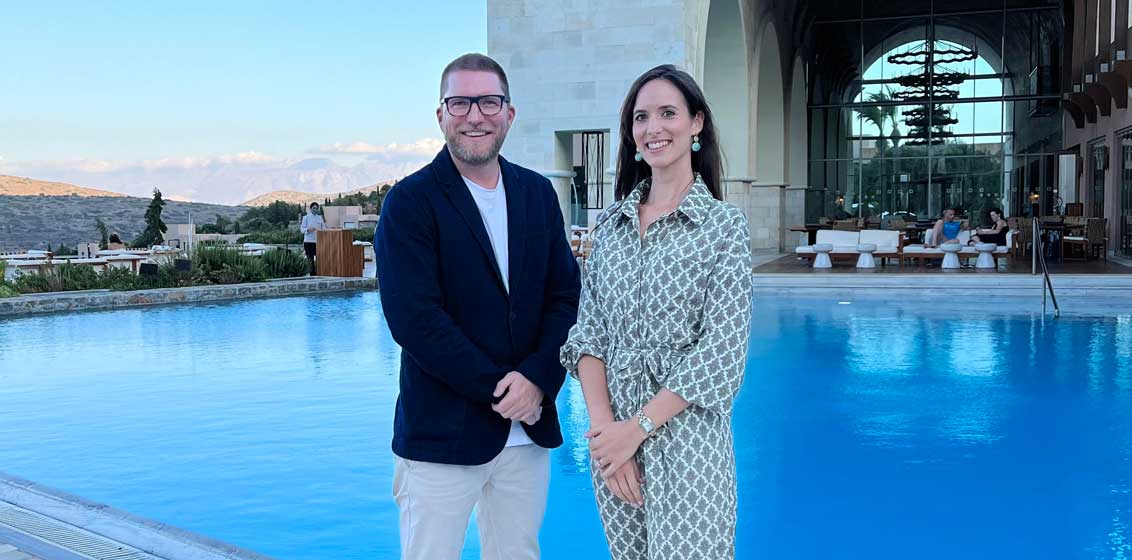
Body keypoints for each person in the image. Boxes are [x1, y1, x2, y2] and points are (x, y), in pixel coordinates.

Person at [374, 53, 580, 560]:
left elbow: (565, 297)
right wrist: (502, 389)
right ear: (441, 114)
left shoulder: (537, 194)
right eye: (460, 103)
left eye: (488, 102)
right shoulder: (410, 202)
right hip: (441, 436)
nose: (475, 116)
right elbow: (415, 320)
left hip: (526, 434)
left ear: (509, 113)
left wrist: (537, 380)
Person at [560, 64, 754, 560]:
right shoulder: (612, 225)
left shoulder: (723, 227)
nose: (653, 128)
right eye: (641, 117)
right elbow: (588, 335)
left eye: (668, 113)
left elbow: (722, 352)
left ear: (696, 122)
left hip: (689, 444)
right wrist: (608, 435)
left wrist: (636, 429)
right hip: (614, 445)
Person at [300, 202, 324, 274]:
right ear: (310, 209)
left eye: (316, 208)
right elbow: (302, 230)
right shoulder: (306, 218)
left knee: (320, 259)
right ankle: (312, 275)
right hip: (308, 242)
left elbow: (324, 229)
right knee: (310, 260)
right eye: (314, 208)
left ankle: (320, 273)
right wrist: (308, 229)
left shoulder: (320, 218)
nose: (315, 210)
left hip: (318, 242)